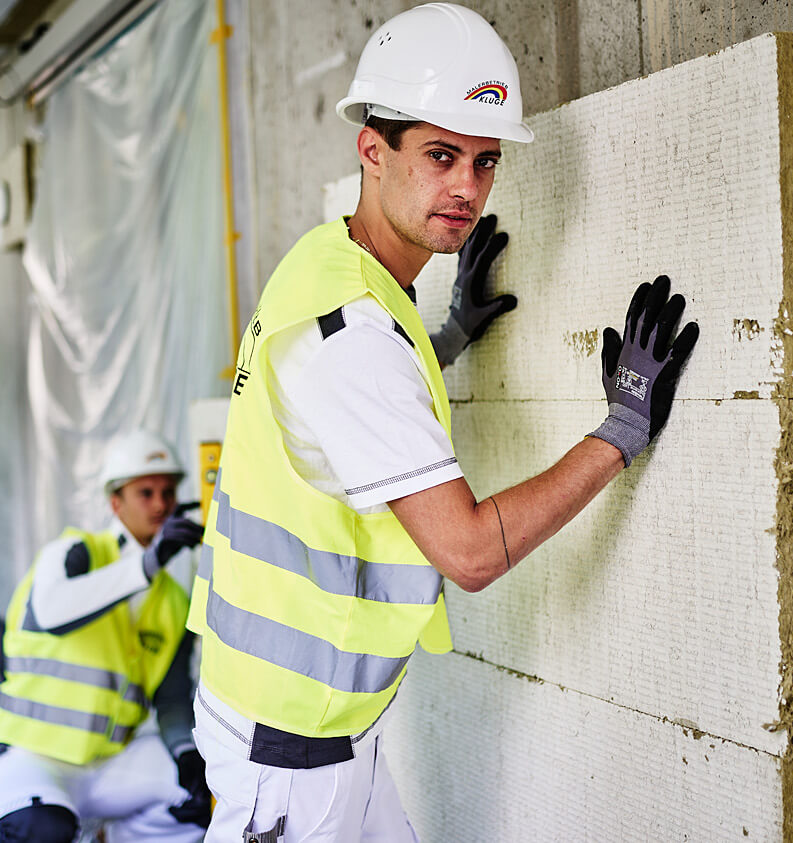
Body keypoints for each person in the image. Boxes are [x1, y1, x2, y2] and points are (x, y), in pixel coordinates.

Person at [186, 4, 701, 840]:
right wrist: (620, 431)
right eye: (439, 155)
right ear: (372, 149)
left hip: (303, 722)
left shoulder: (325, 264)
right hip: (291, 753)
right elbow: (467, 551)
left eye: (485, 160)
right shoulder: (353, 333)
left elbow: (347, 407)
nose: (465, 186)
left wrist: (447, 335)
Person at [0, 430, 211, 843]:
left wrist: (185, 753)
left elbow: (171, 698)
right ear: (114, 502)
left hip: (110, 764)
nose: (161, 504)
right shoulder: (73, 552)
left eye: (169, 493)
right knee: (41, 831)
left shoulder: (174, 599)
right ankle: (6, 820)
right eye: (146, 493)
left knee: (202, 800)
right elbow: (52, 613)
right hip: (30, 755)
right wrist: (147, 564)